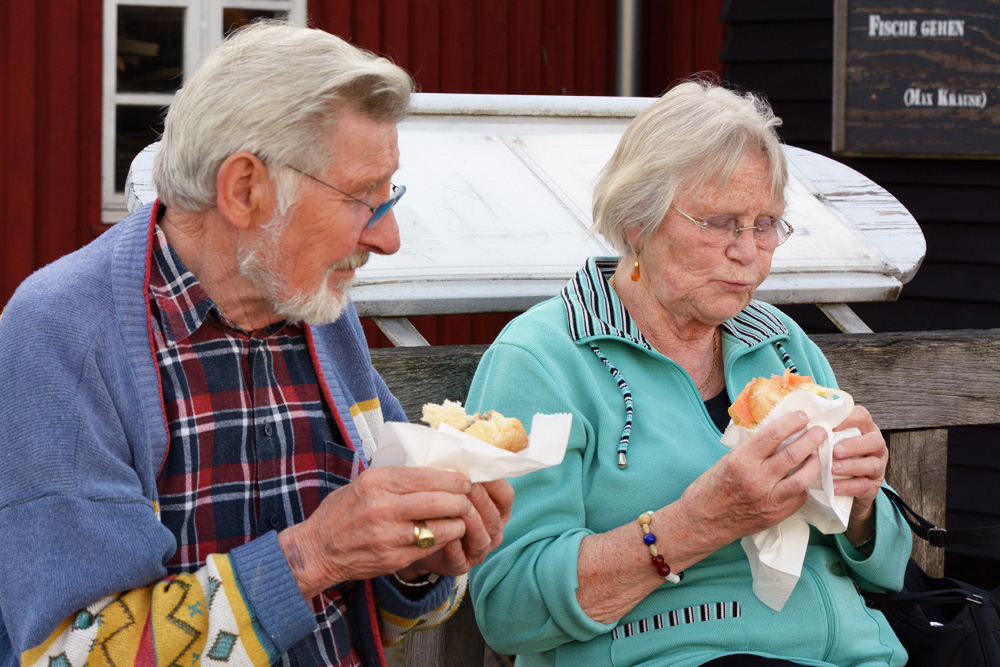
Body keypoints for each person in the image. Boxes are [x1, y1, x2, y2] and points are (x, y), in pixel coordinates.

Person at [0, 21, 512, 667]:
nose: (390, 239)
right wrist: (314, 553)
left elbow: (376, 610)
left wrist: (419, 560)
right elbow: (68, 654)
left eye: (390, 195)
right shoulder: (64, 334)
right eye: (362, 198)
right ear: (245, 190)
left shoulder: (316, 306)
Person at [465, 80, 912, 667]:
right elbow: (509, 611)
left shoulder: (779, 345)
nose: (748, 251)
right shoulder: (545, 360)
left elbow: (889, 571)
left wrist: (860, 504)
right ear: (637, 224)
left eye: (766, 223)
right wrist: (695, 525)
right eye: (721, 223)